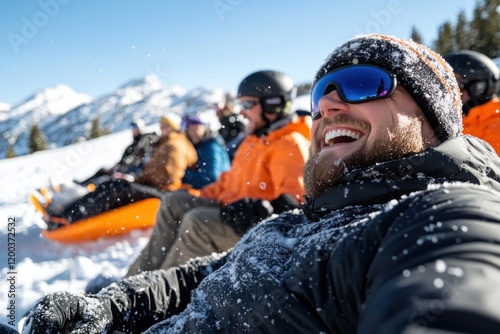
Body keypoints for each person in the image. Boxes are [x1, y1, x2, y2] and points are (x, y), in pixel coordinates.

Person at [23, 34, 500, 333]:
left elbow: (456, 283)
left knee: (193, 222)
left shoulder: (440, 214)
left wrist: (247, 210)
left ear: (431, 117)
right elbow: (204, 275)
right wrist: (113, 306)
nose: (329, 106)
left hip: (255, 214)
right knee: (180, 210)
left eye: (360, 83)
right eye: (320, 94)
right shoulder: (312, 218)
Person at [125, 69, 311, 275]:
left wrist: (258, 210)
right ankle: (134, 279)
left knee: (197, 222)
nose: (241, 112)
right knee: (174, 203)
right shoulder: (253, 140)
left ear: (273, 105)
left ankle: (156, 294)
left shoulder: (289, 144)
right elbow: (227, 182)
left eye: (247, 105)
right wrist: (197, 195)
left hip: (254, 226)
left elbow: (296, 202)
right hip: (230, 209)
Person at [44, 113, 198, 228]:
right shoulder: (167, 142)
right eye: (161, 125)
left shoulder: (175, 144)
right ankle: (68, 211)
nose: (162, 128)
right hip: (156, 187)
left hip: (162, 192)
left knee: (116, 187)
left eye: (166, 126)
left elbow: (166, 175)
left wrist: (139, 179)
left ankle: (68, 218)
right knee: (111, 185)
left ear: (174, 127)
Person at [444, 50, 500, 155]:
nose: (451, 91)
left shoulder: (496, 124)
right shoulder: (460, 122)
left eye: (456, 83)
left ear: (478, 87)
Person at [76, 118, 160, 186]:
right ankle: (85, 184)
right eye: (131, 128)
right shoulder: (134, 144)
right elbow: (125, 160)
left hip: (127, 172)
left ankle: (87, 187)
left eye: (134, 128)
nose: (132, 130)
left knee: (106, 177)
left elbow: (139, 159)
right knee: (103, 171)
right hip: (122, 168)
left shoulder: (143, 141)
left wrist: (129, 172)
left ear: (139, 129)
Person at [180, 113, 231, 189]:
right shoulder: (199, 145)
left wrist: (181, 173)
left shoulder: (210, 146)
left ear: (204, 129)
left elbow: (210, 179)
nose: (194, 133)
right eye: (191, 129)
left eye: (197, 128)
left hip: (219, 192)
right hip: (213, 191)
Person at [214, 92, 247, 160]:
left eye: (220, 111)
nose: (218, 114)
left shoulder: (235, 122)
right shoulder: (223, 127)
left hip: (237, 154)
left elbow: (243, 134)